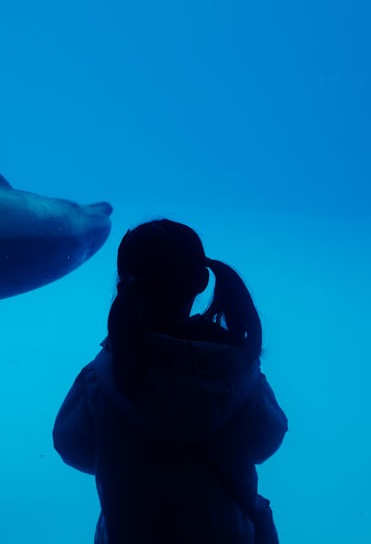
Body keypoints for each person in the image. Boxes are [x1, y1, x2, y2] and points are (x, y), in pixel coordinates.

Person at [53, 219, 287, 543]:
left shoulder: (101, 377)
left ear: (125, 282)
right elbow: (266, 441)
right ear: (203, 281)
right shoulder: (239, 371)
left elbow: (72, 447)